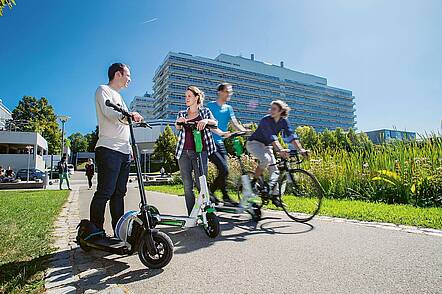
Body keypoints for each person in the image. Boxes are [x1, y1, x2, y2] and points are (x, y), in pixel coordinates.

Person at [89, 63, 144, 234]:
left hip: (123, 151)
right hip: (108, 148)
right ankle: (96, 230)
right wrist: (128, 115)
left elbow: (124, 127)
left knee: (119, 193)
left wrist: (130, 148)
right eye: (128, 75)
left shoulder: (120, 98)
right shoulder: (103, 90)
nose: (130, 79)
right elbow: (110, 113)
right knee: (105, 191)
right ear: (118, 74)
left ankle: (118, 231)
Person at [246, 100, 308, 207]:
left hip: (267, 145)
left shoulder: (283, 121)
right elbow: (272, 137)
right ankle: (253, 183)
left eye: (274, 109)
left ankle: (275, 197)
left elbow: (291, 136)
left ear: (281, 111)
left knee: (274, 171)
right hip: (254, 143)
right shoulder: (265, 120)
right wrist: (280, 150)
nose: (271, 111)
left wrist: (301, 150)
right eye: (271, 108)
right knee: (266, 159)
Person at [175, 86, 218, 215]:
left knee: (201, 185)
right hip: (183, 153)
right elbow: (177, 127)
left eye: (189, 96)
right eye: (185, 96)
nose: (186, 98)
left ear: (196, 97)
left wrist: (205, 120)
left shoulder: (205, 112)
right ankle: (192, 215)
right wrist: (178, 122)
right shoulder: (182, 114)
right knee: (188, 187)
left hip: (200, 152)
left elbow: (214, 123)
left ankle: (207, 215)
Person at [207, 83, 249, 205]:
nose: (229, 94)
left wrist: (244, 131)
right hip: (210, 143)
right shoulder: (210, 106)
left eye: (230, 92)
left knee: (225, 170)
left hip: (220, 143)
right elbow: (207, 124)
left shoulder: (228, 108)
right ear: (220, 92)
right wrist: (221, 133)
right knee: (223, 169)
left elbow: (234, 122)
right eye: (227, 91)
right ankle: (215, 193)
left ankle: (218, 195)